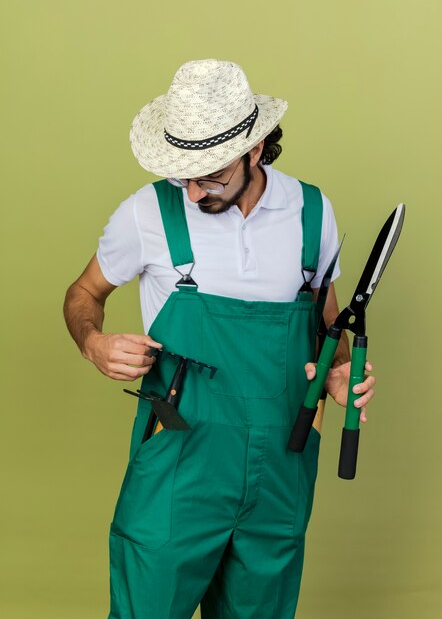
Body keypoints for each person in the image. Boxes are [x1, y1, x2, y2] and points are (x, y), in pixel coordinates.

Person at [63, 59, 375, 619]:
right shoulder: (146, 214)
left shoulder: (312, 213)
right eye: (184, 174)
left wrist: (338, 371)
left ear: (256, 150)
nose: (191, 191)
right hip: (182, 460)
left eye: (209, 175)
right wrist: (94, 343)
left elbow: (329, 327)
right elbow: (83, 293)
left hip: (282, 463)